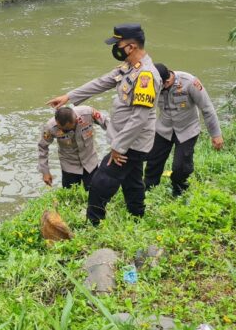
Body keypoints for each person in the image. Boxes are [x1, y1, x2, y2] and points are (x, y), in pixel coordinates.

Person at [47, 23, 161, 225]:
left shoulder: (146, 75)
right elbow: (101, 82)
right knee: (132, 180)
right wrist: (69, 96)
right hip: (128, 142)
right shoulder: (128, 67)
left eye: (118, 44)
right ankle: (138, 216)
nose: (115, 48)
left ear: (131, 46)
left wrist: (118, 147)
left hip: (131, 143)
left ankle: (93, 223)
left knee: (101, 183)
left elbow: (139, 118)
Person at [143, 63, 223, 196]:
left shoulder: (190, 82)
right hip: (164, 127)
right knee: (153, 161)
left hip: (187, 129)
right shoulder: (150, 83)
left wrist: (216, 134)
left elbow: (207, 108)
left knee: (181, 167)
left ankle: (179, 192)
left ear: (167, 81)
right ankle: (148, 191)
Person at [38, 106, 108, 190]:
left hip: (90, 161)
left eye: (67, 130)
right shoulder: (50, 127)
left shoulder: (88, 113)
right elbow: (42, 147)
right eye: (62, 129)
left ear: (75, 120)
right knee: (70, 196)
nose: (64, 132)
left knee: (95, 192)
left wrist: (119, 144)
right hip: (69, 165)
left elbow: (107, 123)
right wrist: (45, 172)